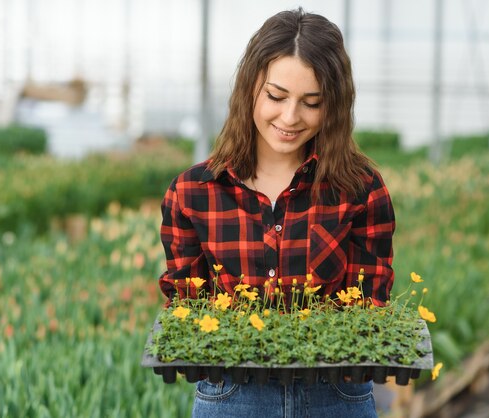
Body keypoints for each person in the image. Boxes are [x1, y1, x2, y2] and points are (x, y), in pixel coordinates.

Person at [158, 8, 395, 418]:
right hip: (231, 398)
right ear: (249, 88)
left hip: (334, 397)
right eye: (276, 96)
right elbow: (188, 310)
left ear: (334, 106)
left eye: (311, 103)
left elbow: (367, 310)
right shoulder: (193, 193)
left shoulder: (360, 190)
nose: (290, 118)